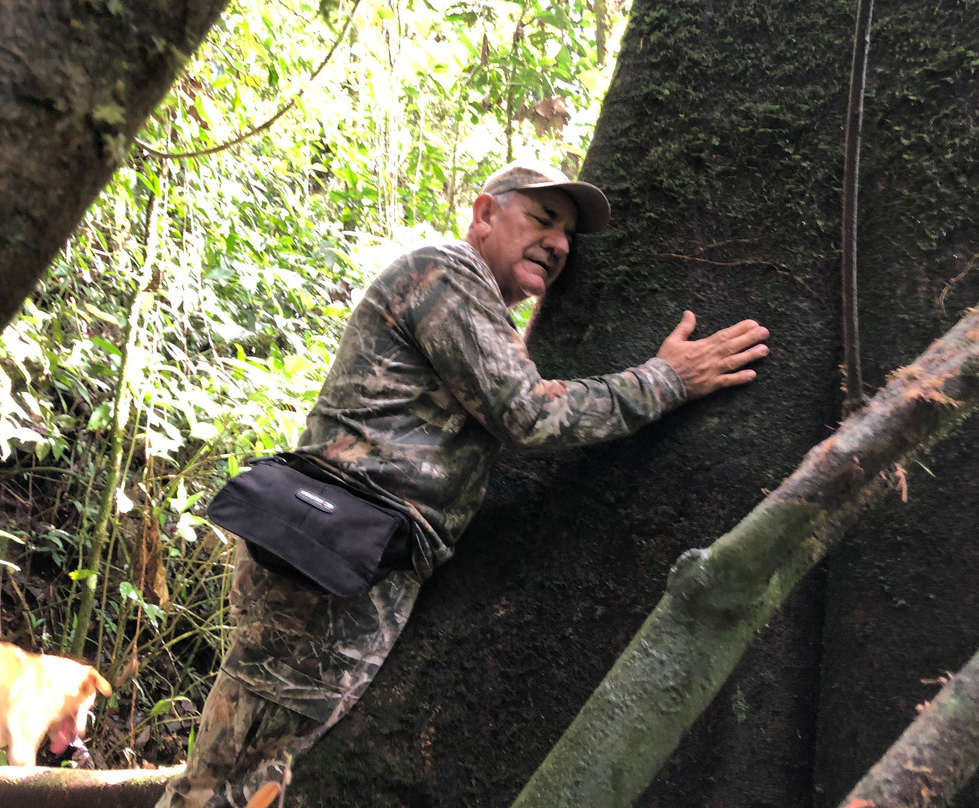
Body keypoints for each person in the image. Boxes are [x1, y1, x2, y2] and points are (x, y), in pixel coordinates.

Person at [155, 161, 769, 807]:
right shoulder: (445, 272)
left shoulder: (478, 313)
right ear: (484, 214)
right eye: (542, 219)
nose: (559, 243)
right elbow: (530, 414)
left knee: (267, 773)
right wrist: (666, 379)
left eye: (567, 236)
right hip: (331, 555)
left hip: (359, 553)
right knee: (238, 776)